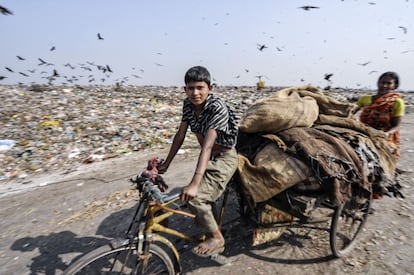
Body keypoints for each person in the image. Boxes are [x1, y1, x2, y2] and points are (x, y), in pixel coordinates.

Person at [157, 66, 239, 257]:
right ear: (185, 89)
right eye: (191, 88)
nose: (195, 93)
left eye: (200, 87)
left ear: (210, 88)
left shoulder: (217, 107)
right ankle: (210, 221)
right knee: (190, 194)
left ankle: (217, 237)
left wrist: (195, 183)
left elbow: (208, 146)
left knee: (196, 197)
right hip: (210, 156)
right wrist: (167, 163)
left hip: (225, 157)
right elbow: (180, 134)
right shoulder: (188, 105)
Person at [354, 71, 405, 159]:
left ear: (394, 86)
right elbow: (350, 112)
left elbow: (396, 126)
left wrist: (385, 134)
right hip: (363, 131)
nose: (384, 85)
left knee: (383, 155)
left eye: (389, 83)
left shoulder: (397, 102)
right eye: (382, 82)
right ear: (378, 83)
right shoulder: (364, 99)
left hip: (384, 134)